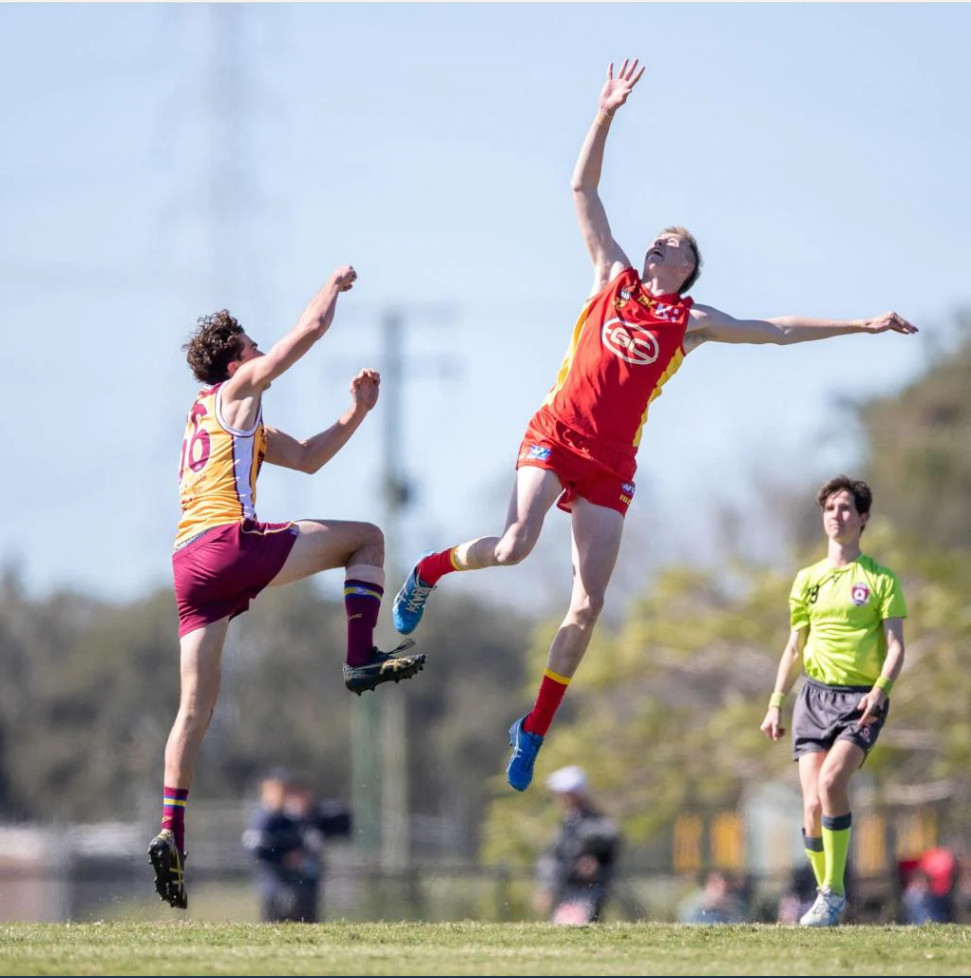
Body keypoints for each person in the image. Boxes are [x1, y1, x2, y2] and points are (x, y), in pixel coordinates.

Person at [391, 58, 919, 792]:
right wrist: (604, 112)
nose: (657, 244)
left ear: (687, 269)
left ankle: (534, 725)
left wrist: (859, 323)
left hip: (610, 463)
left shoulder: (689, 321)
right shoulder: (611, 276)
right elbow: (581, 188)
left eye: (673, 244)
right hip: (556, 432)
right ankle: (427, 570)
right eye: (658, 238)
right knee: (514, 545)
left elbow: (776, 330)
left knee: (590, 601)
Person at [148, 267, 426, 910]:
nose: (258, 350)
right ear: (233, 360)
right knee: (368, 539)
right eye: (249, 345)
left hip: (187, 566)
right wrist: (334, 285)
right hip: (227, 544)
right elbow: (310, 330)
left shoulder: (214, 419)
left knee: (194, 709)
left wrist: (354, 413)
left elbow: (308, 457)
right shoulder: (238, 388)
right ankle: (360, 656)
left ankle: (172, 835)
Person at [760, 475, 908, 927]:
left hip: (861, 699)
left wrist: (880, 690)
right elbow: (794, 646)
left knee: (830, 786)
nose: (836, 516)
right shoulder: (807, 580)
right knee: (809, 804)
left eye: (845, 508)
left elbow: (897, 646)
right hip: (813, 697)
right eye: (830, 508)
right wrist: (775, 701)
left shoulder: (880, 579)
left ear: (863, 518)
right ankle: (830, 899)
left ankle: (831, 891)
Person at [242, 769, 351, 923]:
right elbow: (257, 848)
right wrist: (284, 856)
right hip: (279, 887)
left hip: (305, 888)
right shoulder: (266, 819)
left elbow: (338, 822)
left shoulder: (301, 817)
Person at [533, 765, 620, 925]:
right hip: (565, 891)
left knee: (575, 927)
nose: (558, 798)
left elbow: (607, 837)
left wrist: (590, 853)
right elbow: (552, 858)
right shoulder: (567, 822)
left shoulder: (595, 822)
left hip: (588, 893)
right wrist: (548, 887)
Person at [677, 870, 748, 925]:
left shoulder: (733, 905)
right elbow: (684, 916)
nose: (722, 887)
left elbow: (741, 919)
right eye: (716, 884)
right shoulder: (692, 905)